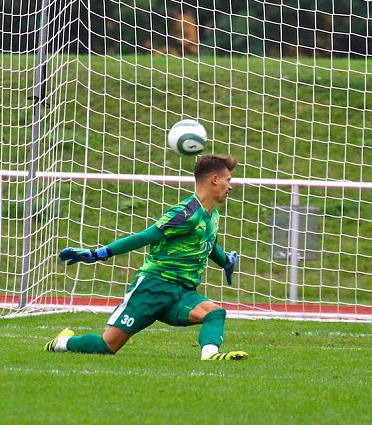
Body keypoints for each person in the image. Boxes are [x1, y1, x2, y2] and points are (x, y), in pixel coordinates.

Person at [46, 153, 249, 361]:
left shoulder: (213, 215)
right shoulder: (186, 213)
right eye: (228, 180)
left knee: (215, 313)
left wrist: (226, 261)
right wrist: (98, 254)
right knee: (107, 345)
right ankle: (62, 342)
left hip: (181, 293)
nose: (230, 186)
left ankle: (210, 355)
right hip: (152, 287)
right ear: (215, 179)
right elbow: (145, 237)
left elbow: (209, 243)